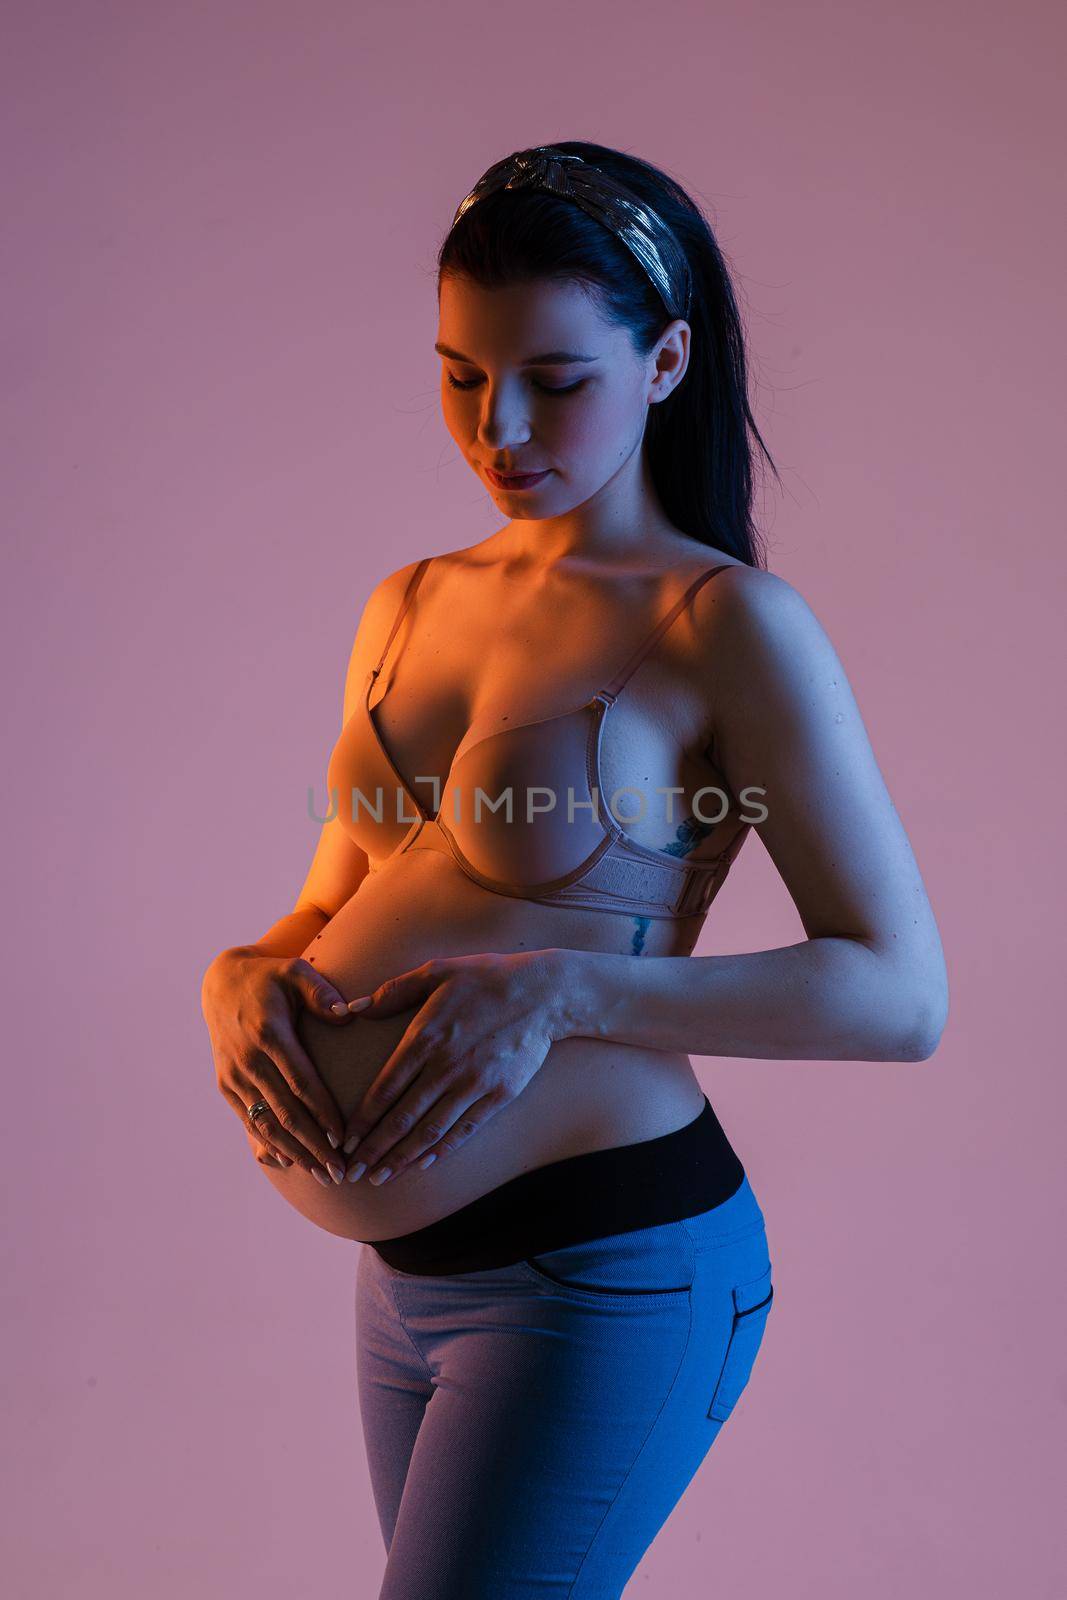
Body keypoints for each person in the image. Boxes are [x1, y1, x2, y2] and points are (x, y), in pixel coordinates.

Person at [200, 142, 948, 1598]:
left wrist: (564, 995)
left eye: (557, 377)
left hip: (609, 1276)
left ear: (666, 362)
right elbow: (337, 894)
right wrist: (242, 973)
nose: (500, 425)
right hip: (405, 1290)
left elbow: (897, 994)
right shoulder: (410, 601)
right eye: (462, 375)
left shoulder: (726, 626)